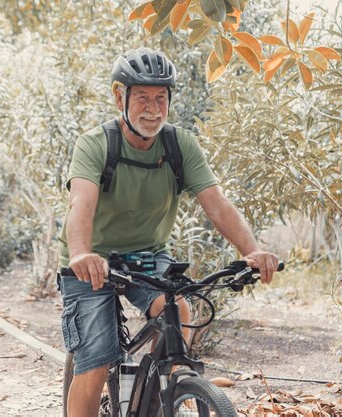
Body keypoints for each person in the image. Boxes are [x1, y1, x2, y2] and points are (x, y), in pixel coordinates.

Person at [58, 48, 279, 417]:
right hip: (92, 262)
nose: (153, 108)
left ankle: (159, 395)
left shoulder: (179, 145)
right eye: (142, 97)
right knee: (95, 362)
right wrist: (81, 253)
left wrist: (251, 249)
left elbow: (217, 203)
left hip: (148, 254)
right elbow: (80, 205)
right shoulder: (95, 144)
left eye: (161, 98)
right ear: (119, 97)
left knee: (180, 311)